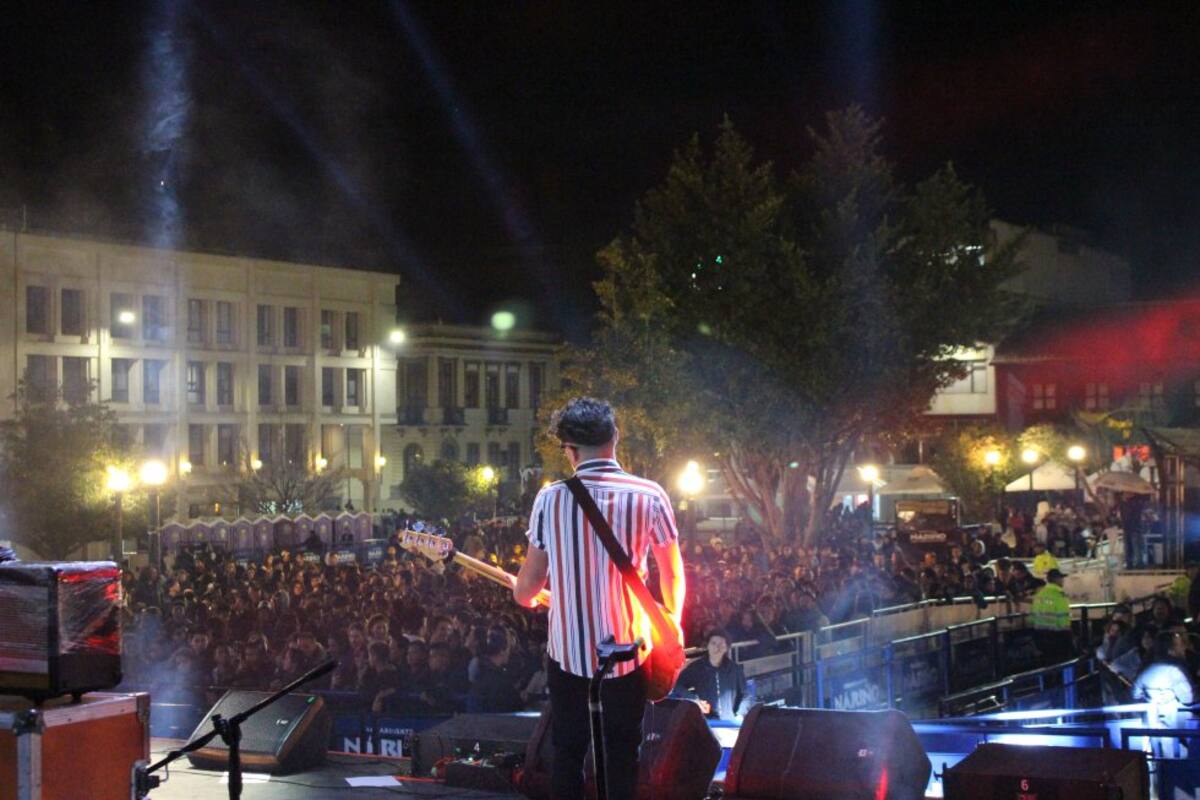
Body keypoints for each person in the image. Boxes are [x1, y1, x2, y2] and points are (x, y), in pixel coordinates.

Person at [513, 397, 685, 800]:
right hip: (629, 651)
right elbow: (673, 573)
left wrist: (525, 593)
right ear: (615, 437)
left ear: (569, 450)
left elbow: (527, 590)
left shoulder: (550, 499)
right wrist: (671, 624)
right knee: (623, 753)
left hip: (569, 656)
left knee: (568, 751)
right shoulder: (650, 495)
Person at [671, 630, 749, 720]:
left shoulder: (735, 670)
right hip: (705, 720)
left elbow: (746, 695)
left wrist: (740, 714)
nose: (717, 647)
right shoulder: (697, 668)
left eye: (721, 644)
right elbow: (677, 685)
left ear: (727, 648)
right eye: (713, 643)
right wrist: (694, 699)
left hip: (730, 721)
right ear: (707, 646)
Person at [1030, 568, 1073, 664]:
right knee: (1062, 664)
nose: (1063, 580)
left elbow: (1034, 614)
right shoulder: (1058, 595)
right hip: (1057, 637)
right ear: (1056, 579)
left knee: (1047, 664)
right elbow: (1063, 619)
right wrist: (1068, 636)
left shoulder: (1040, 595)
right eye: (1061, 578)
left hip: (1040, 635)